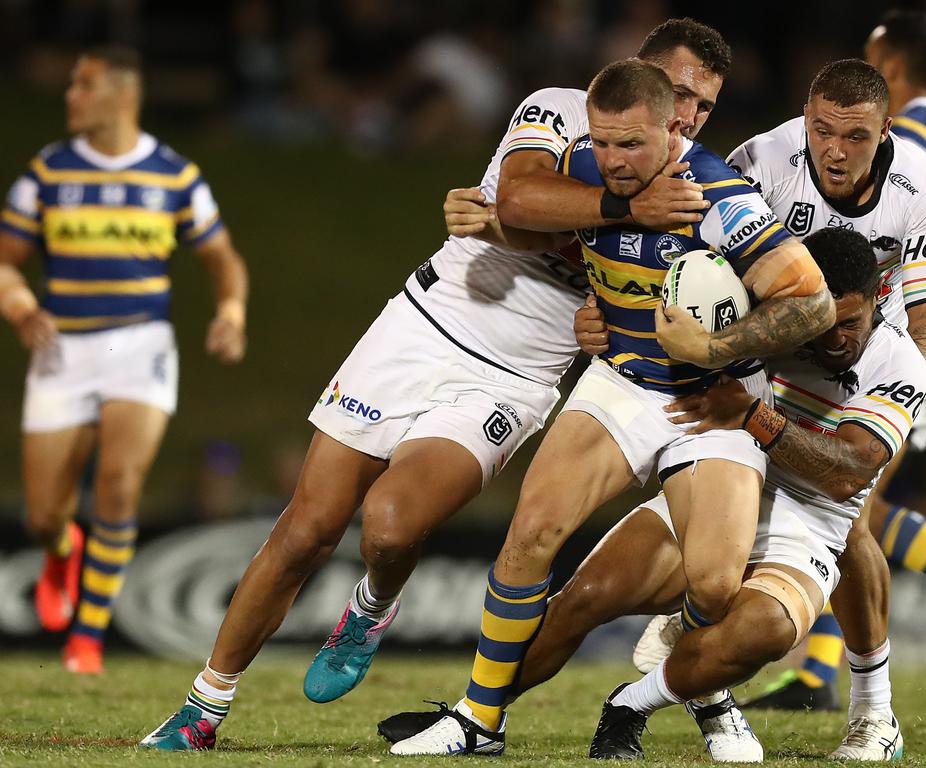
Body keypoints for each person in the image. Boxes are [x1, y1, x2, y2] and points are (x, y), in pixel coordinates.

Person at [138, 18, 717, 752]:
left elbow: (666, 287)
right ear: (638, 80)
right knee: (307, 527)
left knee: (390, 525)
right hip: (422, 323)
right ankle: (202, 711)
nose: (693, 114)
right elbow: (517, 198)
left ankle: (374, 601)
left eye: (705, 104)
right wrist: (614, 213)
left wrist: (610, 317)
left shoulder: (703, 184)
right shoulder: (561, 110)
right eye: (684, 93)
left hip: (514, 375)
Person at [388, 58, 835, 757]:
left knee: (715, 587)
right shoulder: (585, 167)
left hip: (711, 401)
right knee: (531, 531)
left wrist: (718, 349)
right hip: (623, 381)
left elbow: (810, 300)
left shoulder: (717, 195)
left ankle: (700, 689)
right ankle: (479, 720)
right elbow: (534, 214)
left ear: (670, 131)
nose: (613, 159)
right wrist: (488, 225)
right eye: (601, 141)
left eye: (631, 144)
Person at [379, 227, 926, 762]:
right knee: (583, 599)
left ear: (879, 299)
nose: (833, 339)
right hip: (722, 486)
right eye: (823, 321)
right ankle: (477, 715)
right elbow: (673, 292)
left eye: (849, 322)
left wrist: (754, 417)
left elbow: (848, 472)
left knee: (763, 629)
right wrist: (601, 317)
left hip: (807, 526)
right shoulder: (768, 320)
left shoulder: (897, 364)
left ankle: (632, 704)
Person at [580, 58, 926, 757]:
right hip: (769, 343)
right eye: (823, 130)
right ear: (806, 121)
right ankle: (702, 613)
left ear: (886, 133)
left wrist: (879, 384)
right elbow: (692, 267)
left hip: (878, 347)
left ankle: (873, 710)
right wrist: (606, 311)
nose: (836, 150)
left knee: (850, 511)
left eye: (855, 135)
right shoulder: (761, 161)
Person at [730, 11, 926, 712]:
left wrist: (874, 333)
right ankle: (835, 667)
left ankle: (846, 676)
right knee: (853, 502)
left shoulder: (911, 148)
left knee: (844, 502)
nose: (838, 147)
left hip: (901, 347)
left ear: (887, 67)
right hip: (882, 345)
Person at [0, 46, 248, 675]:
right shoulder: (47, 173)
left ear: (121, 94)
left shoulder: (174, 176)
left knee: (118, 484)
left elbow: (221, 257)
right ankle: (61, 548)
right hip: (65, 348)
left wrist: (231, 310)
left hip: (137, 345)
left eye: (82, 85)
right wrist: (23, 308)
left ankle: (86, 641)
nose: (69, 96)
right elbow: (5, 260)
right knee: (42, 515)